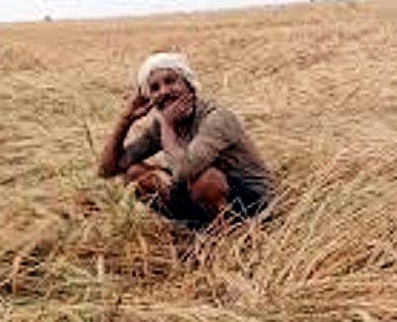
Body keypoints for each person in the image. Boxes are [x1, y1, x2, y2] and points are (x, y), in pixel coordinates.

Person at [99, 52, 273, 227]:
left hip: (253, 202)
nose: (164, 92)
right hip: (201, 194)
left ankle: (229, 234)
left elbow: (185, 171)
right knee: (135, 173)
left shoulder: (217, 117)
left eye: (171, 81)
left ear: (189, 84)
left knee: (205, 179)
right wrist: (126, 120)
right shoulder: (165, 124)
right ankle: (198, 226)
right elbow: (108, 170)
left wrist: (167, 125)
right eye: (155, 88)